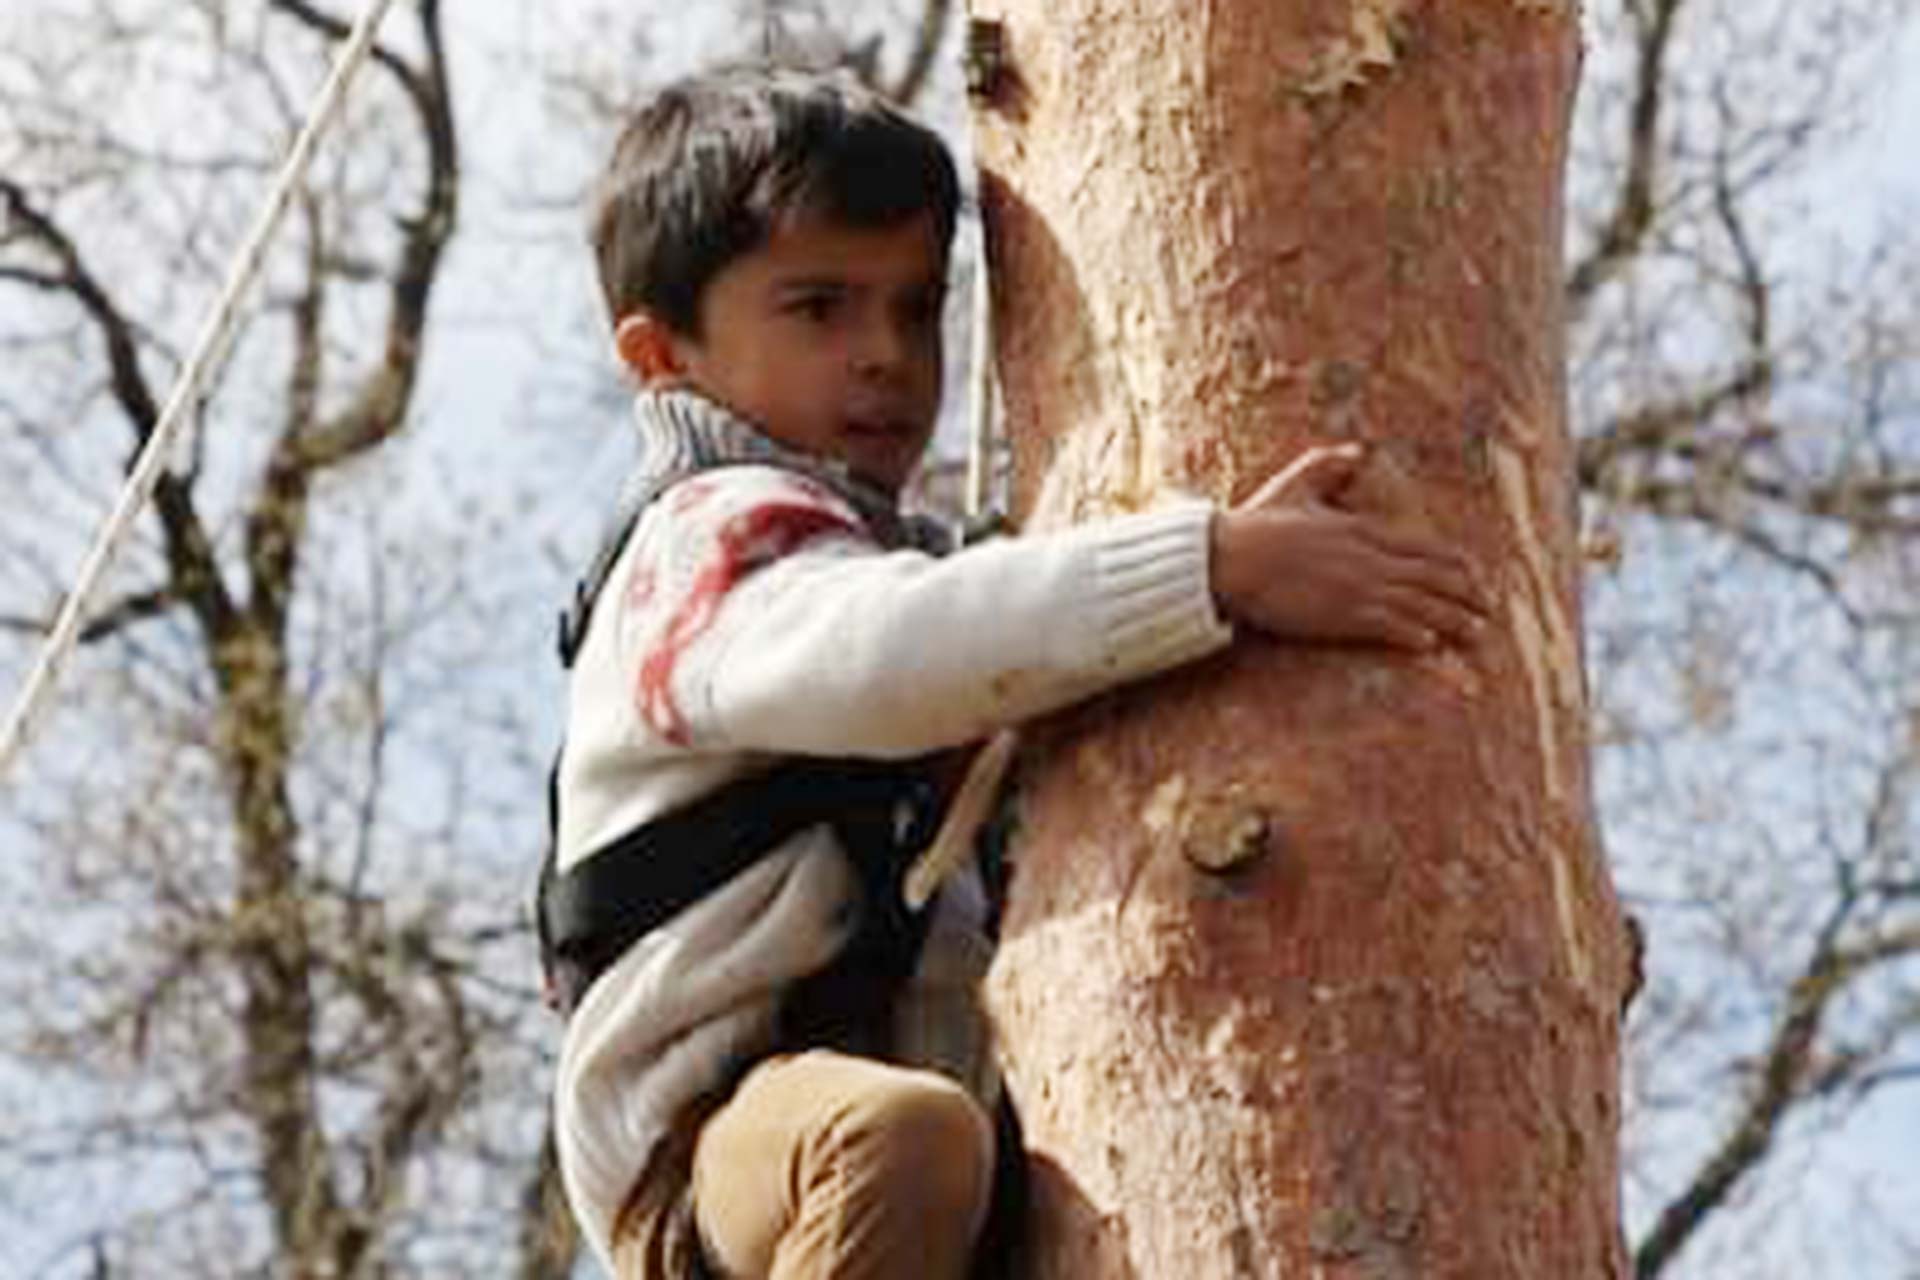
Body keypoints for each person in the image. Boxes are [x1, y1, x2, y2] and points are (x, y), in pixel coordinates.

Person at [546, 62, 1488, 1280]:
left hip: (927, 1153)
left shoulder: (899, 557)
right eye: (820, 308)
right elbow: (885, 657)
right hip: (715, 1137)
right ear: (663, 355)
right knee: (898, 1139)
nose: (886, 355)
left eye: (916, 308)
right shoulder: (703, 541)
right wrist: (1209, 567)